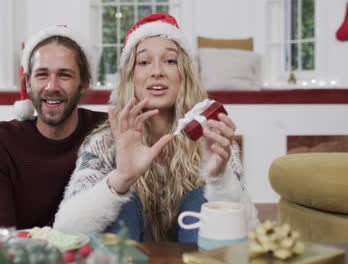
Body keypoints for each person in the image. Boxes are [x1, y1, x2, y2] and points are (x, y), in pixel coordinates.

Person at [53, 13, 259, 242]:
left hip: (194, 255)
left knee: (201, 199)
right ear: (131, 76)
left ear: (185, 74)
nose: (157, 71)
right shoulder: (105, 142)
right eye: (144, 62)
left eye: (170, 61)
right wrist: (120, 179)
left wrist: (219, 179)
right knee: (123, 202)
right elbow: (65, 229)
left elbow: (249, 231)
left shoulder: (210, 137)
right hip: (129, 253)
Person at [0, 26, 107, 233]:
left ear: (83, 83)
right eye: (42, 75)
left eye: (65, 75)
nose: (52, 86)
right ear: (28, 82)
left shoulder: (105, 132)